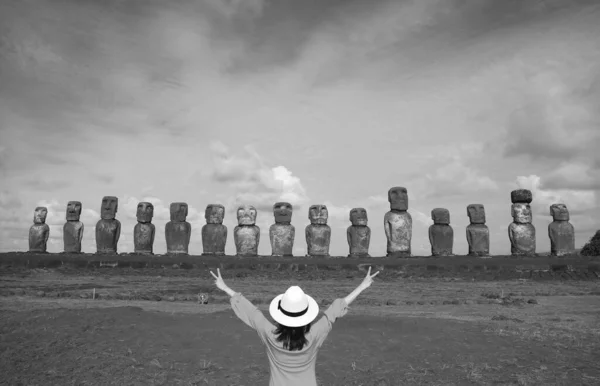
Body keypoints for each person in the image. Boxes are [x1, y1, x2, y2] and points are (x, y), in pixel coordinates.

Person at [210, 266, 380, 386]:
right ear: (306, 315)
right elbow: (335, 309)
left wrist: (225, 288)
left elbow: (251, 311)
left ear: (280, 313)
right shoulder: (314, 334)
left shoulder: (269, 334)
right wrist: (362, 286)